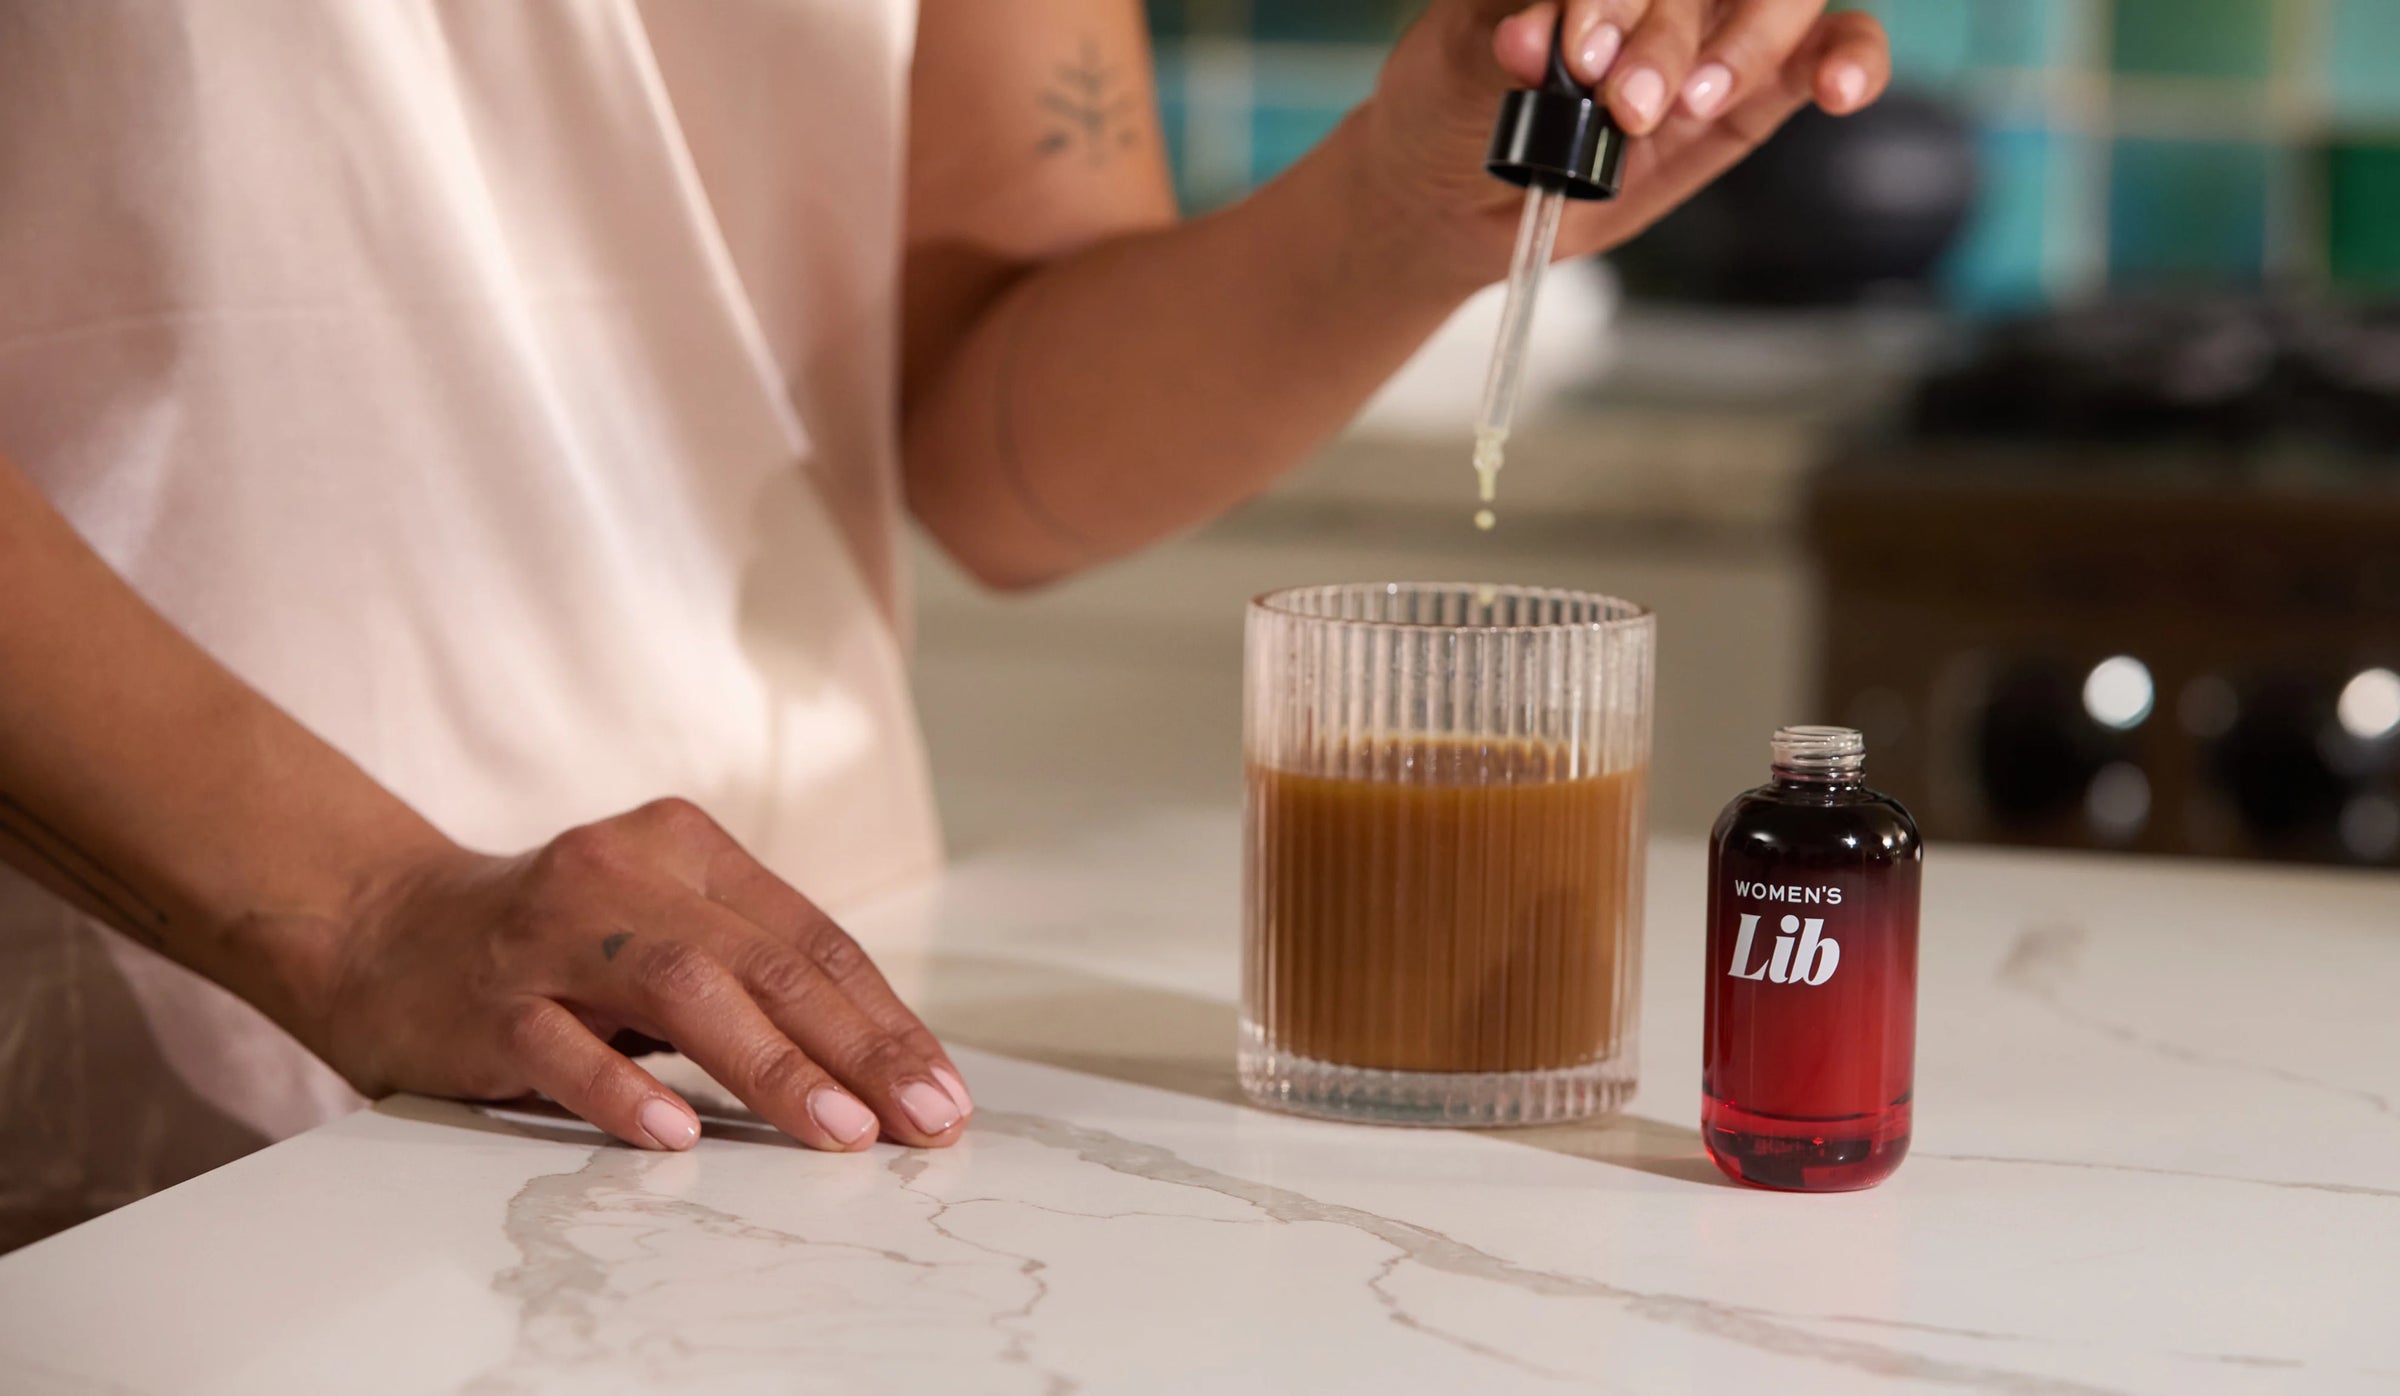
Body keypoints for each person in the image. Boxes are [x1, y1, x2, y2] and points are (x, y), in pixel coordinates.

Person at [0, 0, 1889, 1249]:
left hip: (792, 1053)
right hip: (156, 1039)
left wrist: (1406, 214)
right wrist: (364, 908)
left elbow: (997, 444)